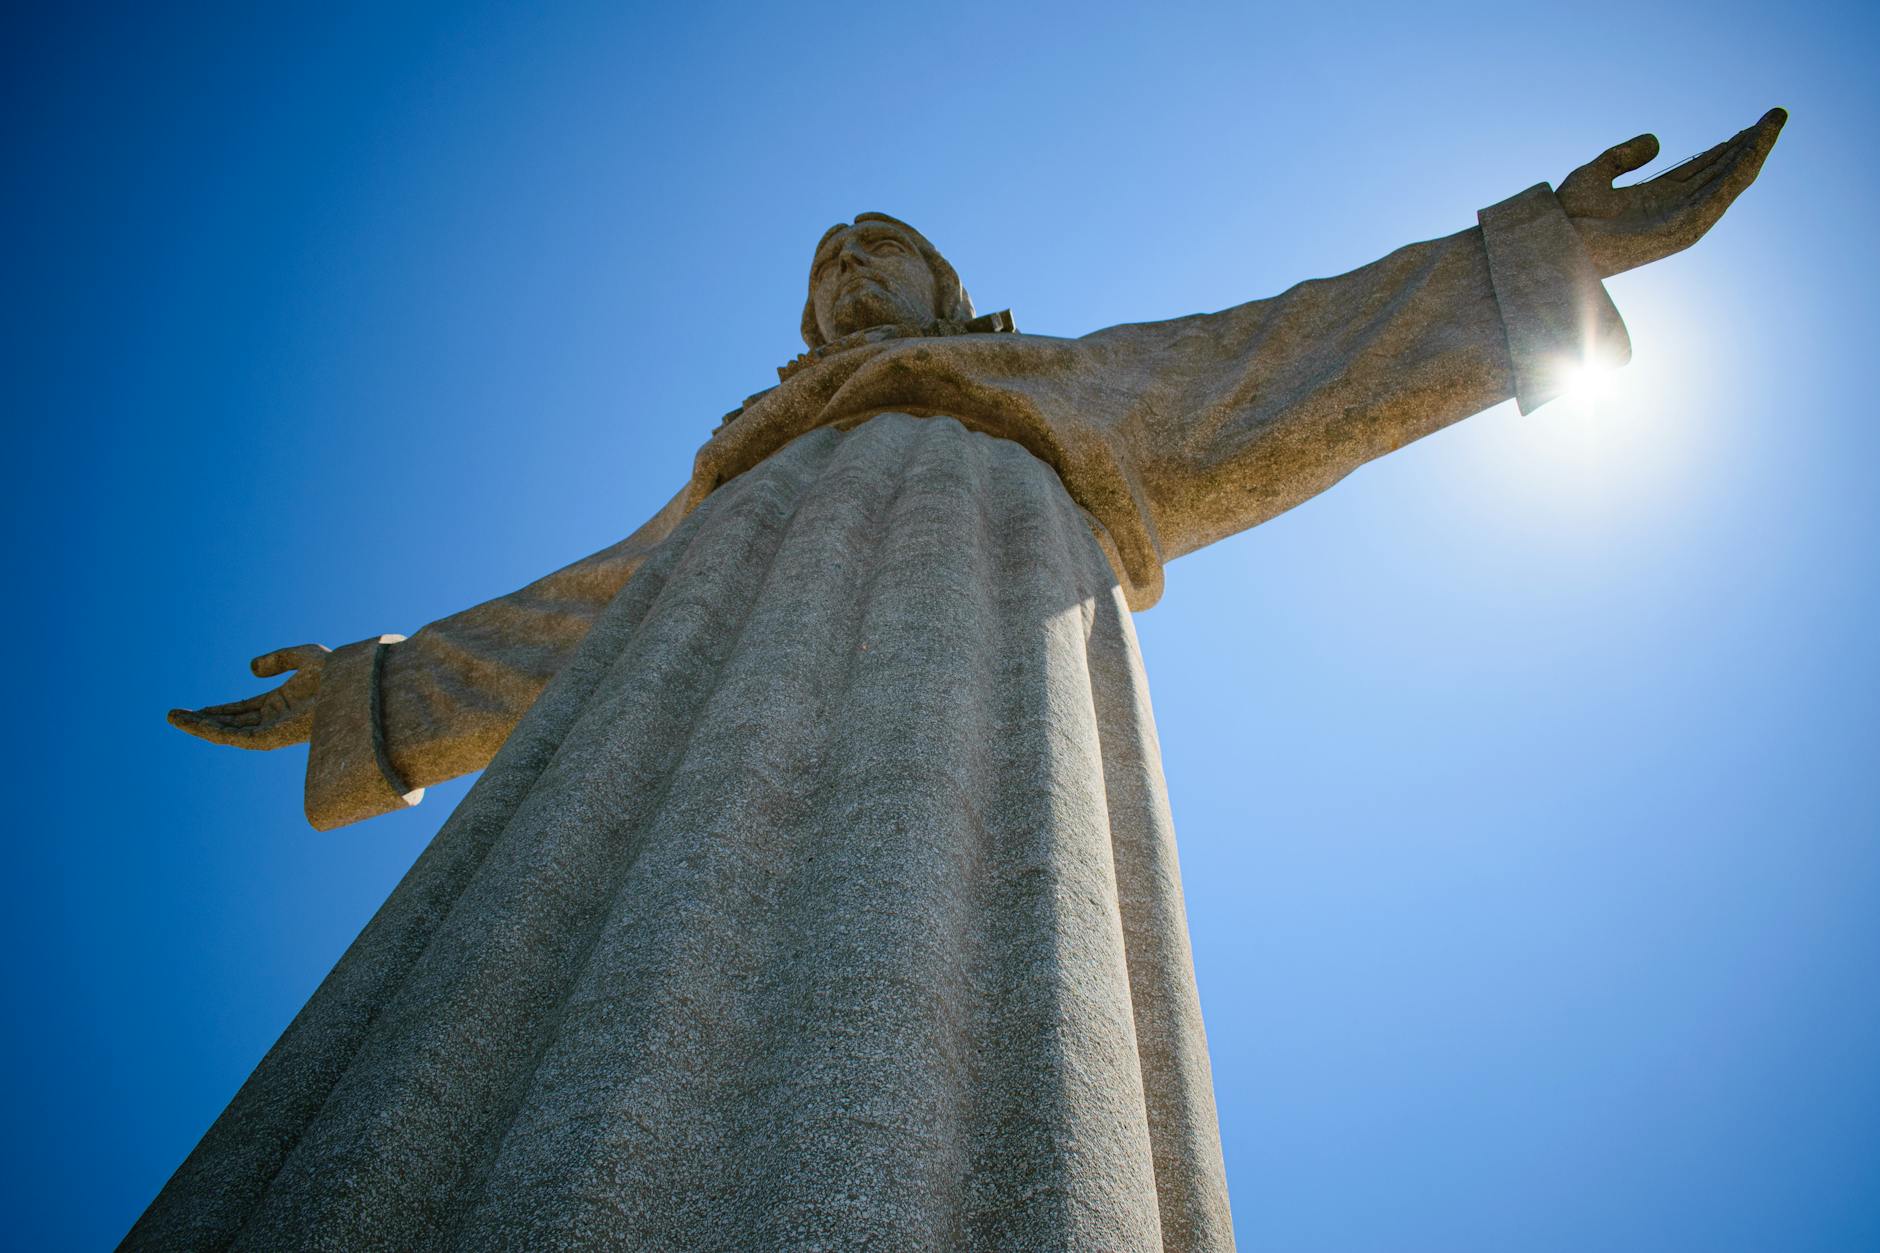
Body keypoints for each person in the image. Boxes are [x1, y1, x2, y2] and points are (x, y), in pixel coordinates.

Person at [138, 111, 1786, 1252]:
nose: (853, 266)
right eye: (830, 261)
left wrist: (1534, 254)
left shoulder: (1051, 388)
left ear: (949, 293)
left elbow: (1284, 348)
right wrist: (382, 690)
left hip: (976, 615)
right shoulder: (734, 477)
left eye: (885, 249)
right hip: (703, 657)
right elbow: (569, 620)